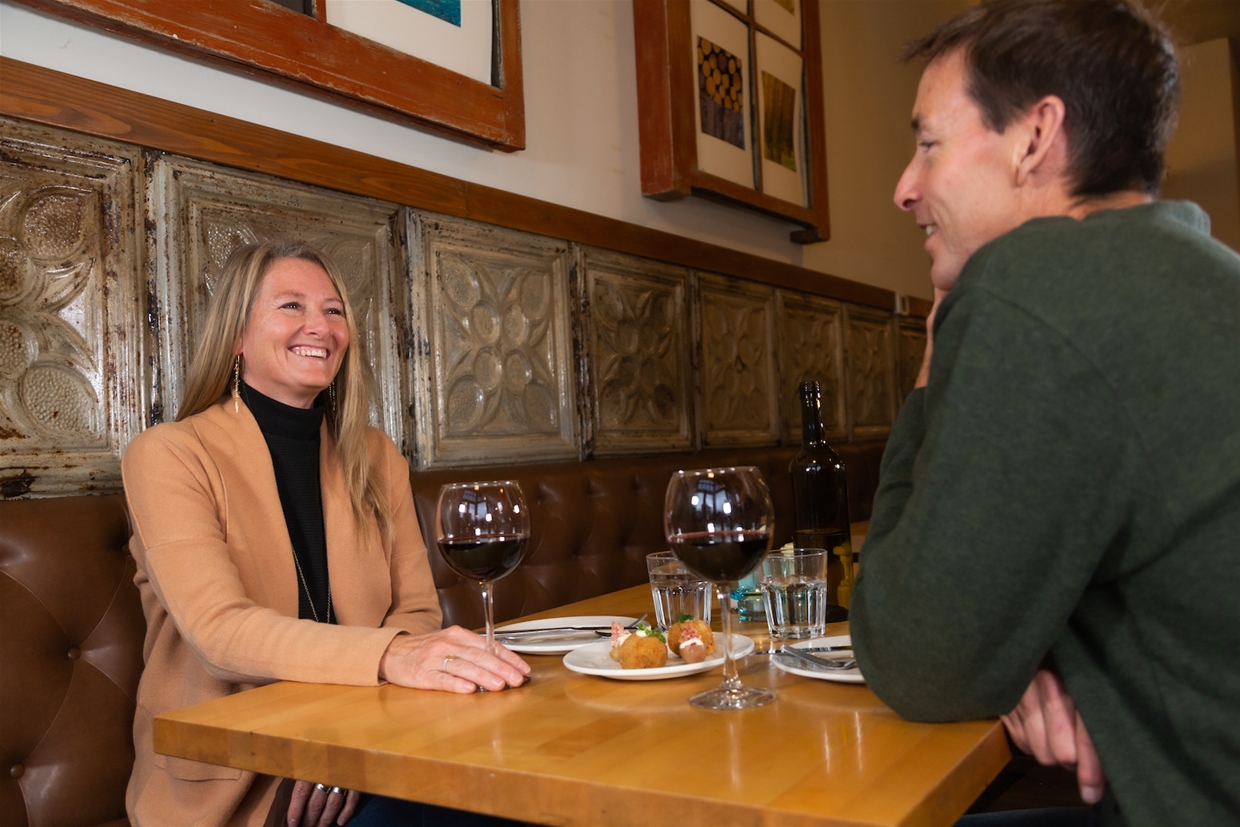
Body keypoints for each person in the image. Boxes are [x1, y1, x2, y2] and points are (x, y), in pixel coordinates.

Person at [848, 1, 1240, 826]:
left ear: (1034, 137)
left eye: (928, 144)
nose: (904, 187)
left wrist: (926, 377)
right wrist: (1025, 650)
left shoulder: (1039, 286)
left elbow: (912, 656)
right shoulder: (1194, 273)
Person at [122, 239, 531, 827]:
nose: (321, 326)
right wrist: (389, 658)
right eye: (291, 305)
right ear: (236, 336)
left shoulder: (375, 454)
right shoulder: (168, 454)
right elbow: (219, 633)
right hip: (234, 780)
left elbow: (416, 610)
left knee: (516, 787)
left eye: (334, 310)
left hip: (367, 742)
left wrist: (347, 745)